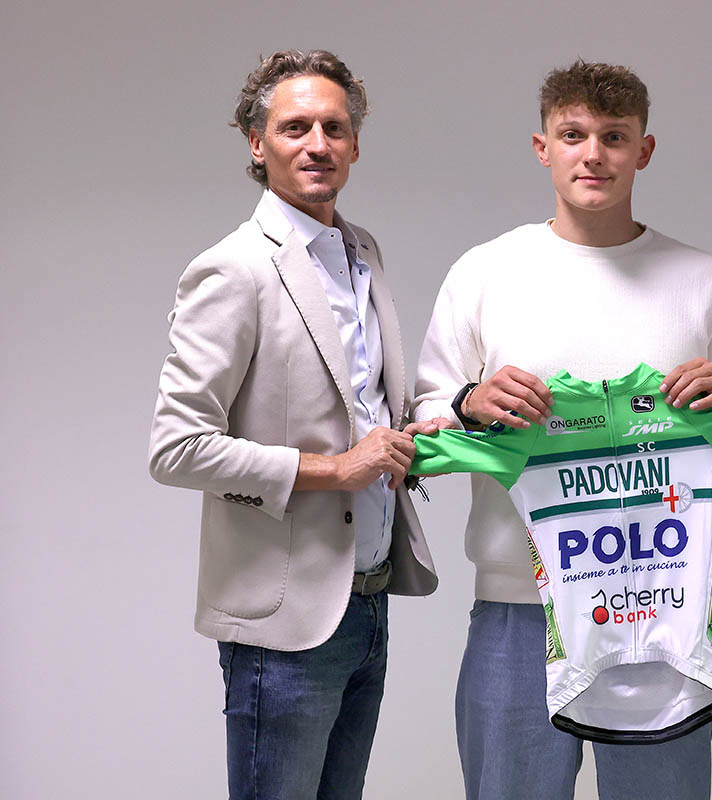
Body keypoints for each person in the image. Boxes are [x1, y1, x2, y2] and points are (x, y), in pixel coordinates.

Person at [413, 59, 712, 800]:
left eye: (614, 137)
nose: (593, 154)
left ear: (644, 150)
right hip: (517, 613)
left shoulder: (702, 282)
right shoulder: (485, 273)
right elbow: (420, 425)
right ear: (543, 147)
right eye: (573, 135)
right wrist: (467, 402)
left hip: (659, 609)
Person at [148, 49, 443, 800]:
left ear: (355, 144)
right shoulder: (234, 269)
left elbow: (370, 409)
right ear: (258, 144)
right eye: (295, 127)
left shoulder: (362, 252)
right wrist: (335, 469)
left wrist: (439, 424)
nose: (318, 144)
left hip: (369, 597)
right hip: (283, 620)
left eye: (334, 128)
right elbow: (177, 447)